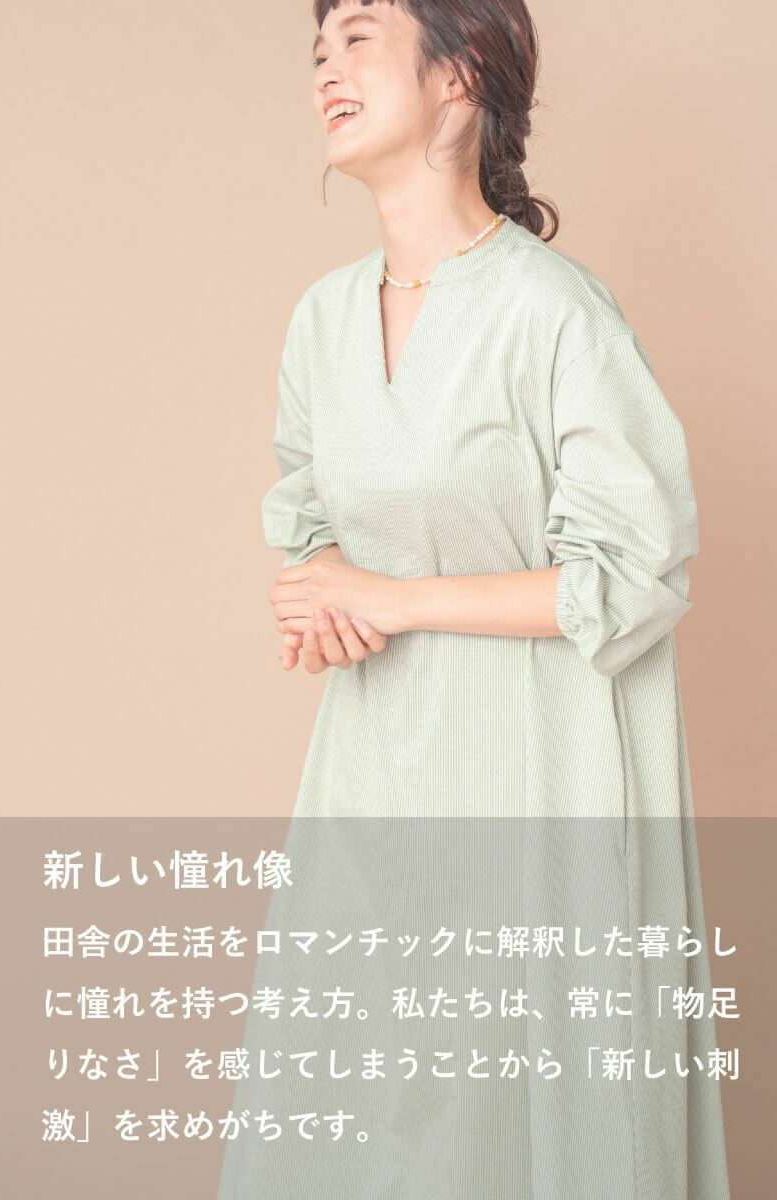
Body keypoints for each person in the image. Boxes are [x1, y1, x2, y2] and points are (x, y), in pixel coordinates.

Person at [217, 3, 732, 1197]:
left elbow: (627, 576)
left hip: (539, 780)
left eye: (357, 38)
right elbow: (307, 524)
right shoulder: (322, 321)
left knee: (532, 1128)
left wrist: (389, 599)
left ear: (460, 76)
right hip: (375, 782)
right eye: (316, 50)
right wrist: (319, 599)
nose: (325, 70)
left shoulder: (553, 311)